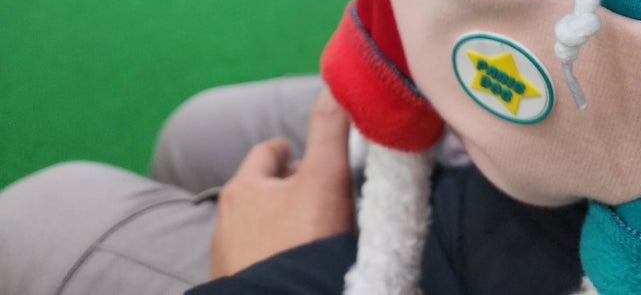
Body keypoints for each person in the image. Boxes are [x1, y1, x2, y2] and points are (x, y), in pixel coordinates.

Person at [0, 75, 585, 295]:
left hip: (524, 256)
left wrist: (269, 274)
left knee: (34, 216)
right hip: (503, 143)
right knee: (199, 134)